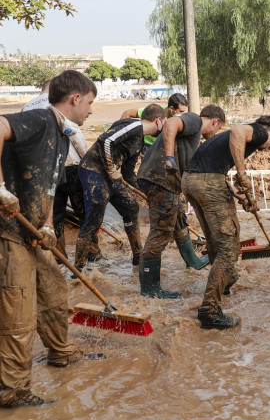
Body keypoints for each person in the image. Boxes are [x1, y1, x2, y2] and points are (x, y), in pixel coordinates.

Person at [0, 70, 104, 408]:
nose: (90, 111)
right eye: (89, 103)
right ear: (75, 99)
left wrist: (46, 226)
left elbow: (47, 188)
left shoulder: (61, 135)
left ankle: (62, 354)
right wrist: (0, 188)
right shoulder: (41, 119)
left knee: (56, 294)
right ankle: (12, 391)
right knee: (18, 315)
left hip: (31, 233)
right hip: (9, 234)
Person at [183, 115, 270, 330]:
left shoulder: (222, 140)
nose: (264, 149)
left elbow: (214, 173)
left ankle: (226, 279)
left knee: (215, 242)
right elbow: (238, 131)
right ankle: (210, 311)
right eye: (269, 146)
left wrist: (243, 198)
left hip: (191, 181)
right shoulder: (262, 131)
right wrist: (242, 173)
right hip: (207, 183)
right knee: (229, 248)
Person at [137, 104, 226, 298]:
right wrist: (169, 157)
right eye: (217, 130)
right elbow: (170, 123)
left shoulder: (192, 137)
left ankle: (192, 260)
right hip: (161, 179)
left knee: (178, 216)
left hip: (160, 180)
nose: (214, 134)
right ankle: (149, 288)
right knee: (161, 232)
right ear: (215, 121)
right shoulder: (194, 120)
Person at [75, 104, 166, 271]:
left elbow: (128, 173)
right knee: (95, 215)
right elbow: (106, 140)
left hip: (112, 177)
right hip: (93, 171)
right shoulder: (133, 125)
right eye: (165, 123)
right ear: (158, 120)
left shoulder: (139, 141)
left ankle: (138, 257)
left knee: (131, 206)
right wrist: (110, 167)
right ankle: (78, 268)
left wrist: (145, 192)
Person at [21, 79, 97, 261]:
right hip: (73, 167)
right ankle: (92, 254)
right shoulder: (58, 108)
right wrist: (89, 163)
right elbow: (77, 139)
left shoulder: (27, 107)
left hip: (46, 171)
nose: (90, 110)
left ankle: (59, 257)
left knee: (56, 216)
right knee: (84, 212)